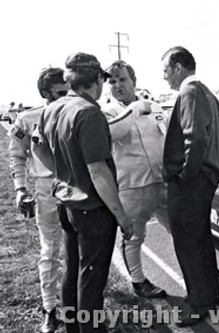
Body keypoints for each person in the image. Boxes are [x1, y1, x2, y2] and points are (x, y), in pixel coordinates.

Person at [39, 52, 133, 333]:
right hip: (92, 209)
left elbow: (40, 149)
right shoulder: (89, 112)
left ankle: (72, 329)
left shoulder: (53, 108)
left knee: (73, 273)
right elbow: (99, 172)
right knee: (91, 283)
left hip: (67, 203)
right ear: (97, 80)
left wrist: (64, 173)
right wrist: (122, 217)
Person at [161, 46, 219, 327]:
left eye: (165, 70)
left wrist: (186, 174)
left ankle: (199, 302)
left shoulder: (188, 92)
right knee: (200, 236)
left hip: (192, 180)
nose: (164, 77)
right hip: (207, 176)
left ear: (178, 68)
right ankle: (210, 293)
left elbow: (194, 140)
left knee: (187, 242)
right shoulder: (206, 92)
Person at [101, 60, 169, 298]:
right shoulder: (109, 111)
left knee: (179, 227)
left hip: (162, 180)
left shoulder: (155, 107)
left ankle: (196, 270)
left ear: (134, 81)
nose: (117, 85)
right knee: (134, 235)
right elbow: (113, 132)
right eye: (112, 82)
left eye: (122, 80)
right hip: (133, 185)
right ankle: (139, 282)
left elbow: (167, 137)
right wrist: (136, 108)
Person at [8, 67, 69, 333]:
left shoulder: (76, 111)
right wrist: (21, 189)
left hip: (80, 188)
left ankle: (82, 302)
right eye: (59, 93)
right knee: (50, 250)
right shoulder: (27, 119)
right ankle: (50, 309)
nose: (65, 98)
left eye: (68, 92)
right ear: (45, 93)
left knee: (84, 249)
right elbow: (17, 155)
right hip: (48, 190)